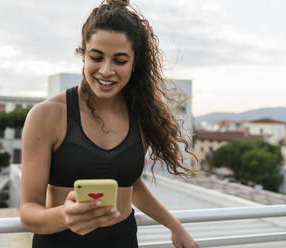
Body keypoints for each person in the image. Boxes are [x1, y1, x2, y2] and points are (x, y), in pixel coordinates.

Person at [20, 0, 199, 247]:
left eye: (120, 61)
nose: (106, 70)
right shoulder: (46, 116)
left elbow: (130, 185)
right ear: (82, 54)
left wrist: (174, 225)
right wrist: (63, 215)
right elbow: (29, 211)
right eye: (96, 57)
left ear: (135, 63)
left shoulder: (140, 114)